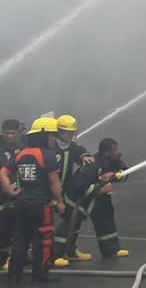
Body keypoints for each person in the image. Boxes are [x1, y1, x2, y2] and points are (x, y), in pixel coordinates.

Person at [6, 117, 65, 285]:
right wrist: (60, 202)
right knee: (43, 240)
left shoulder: (21, 153)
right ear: (44, 135)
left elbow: (3, 172)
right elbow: (54, 182)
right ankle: (39, 276)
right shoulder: (48, 155)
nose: (55, 139)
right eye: (53, 135)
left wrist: (9, 190)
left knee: (20, 240)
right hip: (40, 205)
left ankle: (13, 278)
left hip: (20, 203)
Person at [54, 138, 129, 262]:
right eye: (115, 150)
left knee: (105, 219)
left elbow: (125, 172)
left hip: (97, 200)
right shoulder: (92, 164)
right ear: (106, 152)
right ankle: (56, 255)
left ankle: (111, 250)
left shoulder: (115, 161)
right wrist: (99, 189)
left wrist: (115, 175)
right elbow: (78, 186)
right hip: (78, 200)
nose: (119, 152)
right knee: (71, 224)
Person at [51, 114, 93, 266]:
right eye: (67, 132)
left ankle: (70, 250)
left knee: (76, 214)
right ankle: (51, 255)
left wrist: (85, 157)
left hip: (64, 191)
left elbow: (80, 152)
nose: (70, 135)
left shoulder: (73, 147)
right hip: (46, 191)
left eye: (72, 132)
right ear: (58, 131)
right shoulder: (50, 146)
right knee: (41, 223)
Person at [0, 120, 23, 270]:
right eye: (6, 133)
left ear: (19, 134)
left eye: (13, 133)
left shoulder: (26, 149)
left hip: (21, 196)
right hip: (1, 198)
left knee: (19, 229)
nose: (9, 136)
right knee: (2, 230)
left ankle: (14, 259)